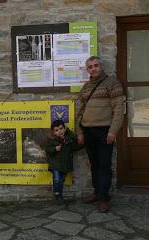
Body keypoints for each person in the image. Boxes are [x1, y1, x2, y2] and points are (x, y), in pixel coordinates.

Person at [77, 56, 124, 213]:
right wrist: (80, 131)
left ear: (101, 66)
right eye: (90, 67)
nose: (93, 69)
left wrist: (113, 131)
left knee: (104, 165)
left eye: (96, 65)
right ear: (87, 70)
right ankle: (97, 193)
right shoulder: (85, 88)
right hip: (88, 131)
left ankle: (104, 198)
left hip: (105, 131)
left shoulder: (112, 83)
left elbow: (118, 108)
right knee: (95, 164)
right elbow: (79, 111)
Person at [45, 120, 81, 205]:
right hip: (55, 163)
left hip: (65, 163)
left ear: (65, 129)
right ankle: (58, 195)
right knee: (57, 179)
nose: (59, 131)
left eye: (61, 129)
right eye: (56, 130)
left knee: (61, 180)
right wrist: (54, 149)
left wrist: (69, 133)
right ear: (53, 132)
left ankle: (58, 193)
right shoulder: (52, 140)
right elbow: (47, 149)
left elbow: (76, 145)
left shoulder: (69, 139)